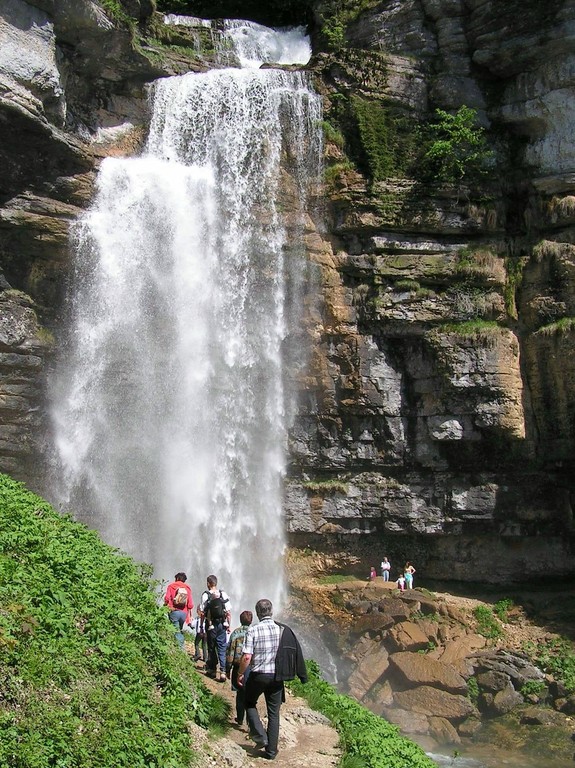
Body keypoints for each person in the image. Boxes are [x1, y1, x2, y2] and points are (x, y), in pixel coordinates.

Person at [237, 599, 283, 760]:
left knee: (249, 702)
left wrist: (240, 673)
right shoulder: (281, 629)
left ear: (257, 613)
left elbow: (247, 656)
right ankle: (271, 752)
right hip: (277, 676)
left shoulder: (253, 630)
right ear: (271, 611)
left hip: (258, 675)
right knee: (274, 713)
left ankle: (260, 736)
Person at [200, 574, 231, 682]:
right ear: (216, 583)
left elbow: (203, 613)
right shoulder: (223, 594)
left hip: (211, 624)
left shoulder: (205, 595)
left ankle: (212, 670)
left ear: (208, 583)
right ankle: (223, 672)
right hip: (222, 624)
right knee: (222, 647)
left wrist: (201, 626)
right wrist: (228, 625)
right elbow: (228, 612)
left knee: (211, 647)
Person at [226, 610, 253, 725]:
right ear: (251, 621)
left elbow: (230, 652)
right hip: (251, 668)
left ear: (240, 620)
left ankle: (240, 718)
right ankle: (250, 722)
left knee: (240, 694)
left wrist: (227, 668)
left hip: (237, 667)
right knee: (250, 695)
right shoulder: (254, 632)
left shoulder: (235, 633)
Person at [163, 572, 193, 649]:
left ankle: (181, 650)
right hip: (184, 613)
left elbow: (166, 598)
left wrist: (165, 605)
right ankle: (177, 647)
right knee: (179, 629)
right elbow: (190, 605)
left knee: (176, 631)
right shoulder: (187, 588)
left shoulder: (171, 586)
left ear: (176, 578)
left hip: (174, 611)